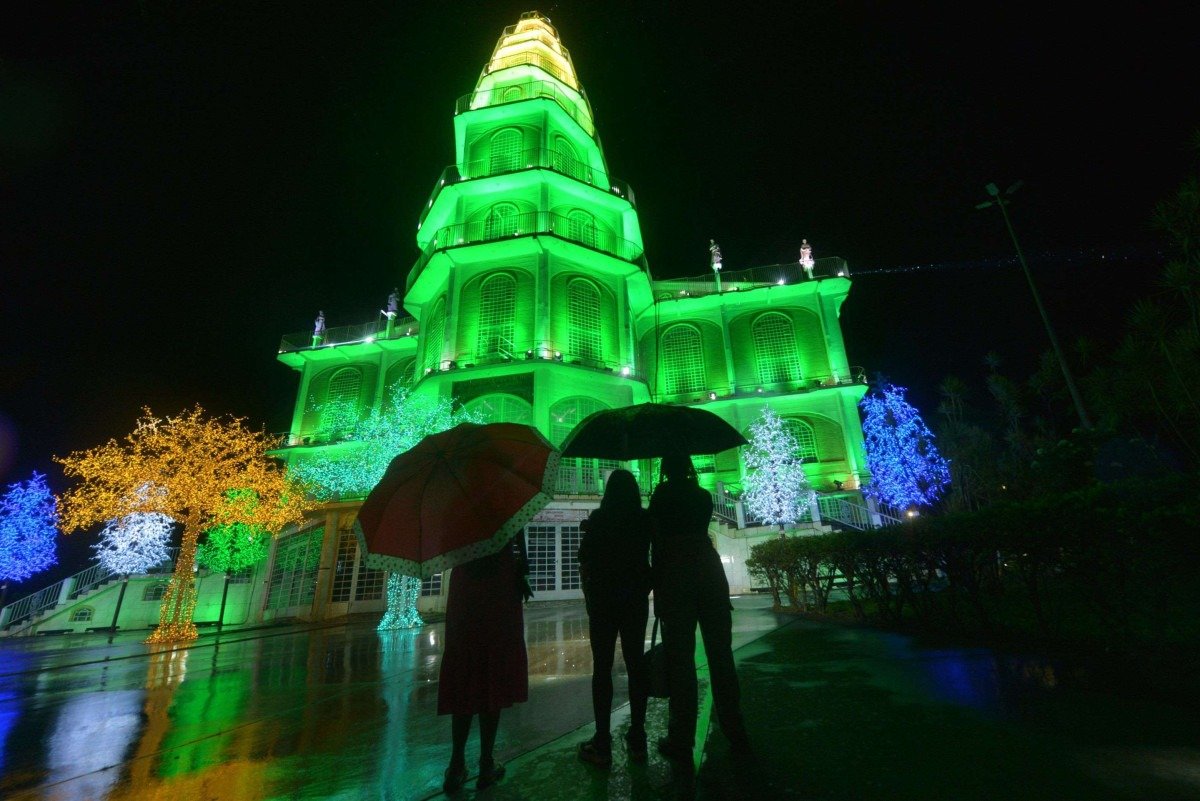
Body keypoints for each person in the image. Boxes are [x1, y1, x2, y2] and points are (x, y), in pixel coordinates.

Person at [648, 451, 750, 762]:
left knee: (681, 659)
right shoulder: (703, 496)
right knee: (721, 655)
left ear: (665, 467)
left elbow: (658, 542)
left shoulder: (662, 496)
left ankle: (682, 738)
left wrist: (658, 587)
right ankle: (736, 731)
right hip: (708, 570)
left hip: (677, 574)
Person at [438, 538, 529, 793]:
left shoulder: (457, 508)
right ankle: (486, 762)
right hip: (500, 585)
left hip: (466, 587)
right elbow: (519, 550)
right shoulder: (504, 507)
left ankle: (456, 764)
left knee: (465, 670)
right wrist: (522, 573)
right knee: (493, 671)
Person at [577, 468, 652, 767]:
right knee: (636, 665)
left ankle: (603, 741)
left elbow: (585, 558)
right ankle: (637, 736)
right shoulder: (644, 519)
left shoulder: (599, 519)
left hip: (604, 601)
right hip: (634, 600)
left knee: (603, 669)